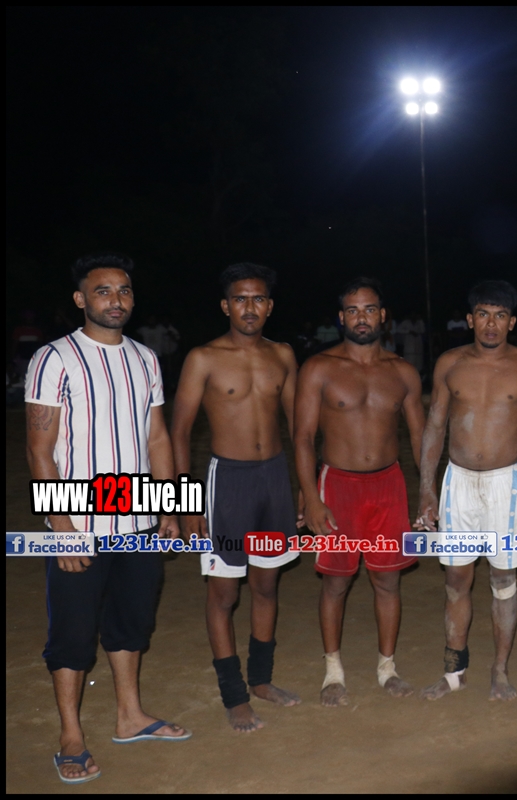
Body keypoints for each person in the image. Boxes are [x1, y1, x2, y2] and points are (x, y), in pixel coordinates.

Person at [25, 253, 190, 784]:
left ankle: (130, 717)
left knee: (132, 622)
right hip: (80, 522)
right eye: (102, 290)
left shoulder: (146, 358)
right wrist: (61, 527)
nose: (115, 300)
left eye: (124, 290)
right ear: (80, 299)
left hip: (137, 521)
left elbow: (157, 437)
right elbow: (40, 449)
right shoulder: (54, 358)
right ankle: (71, 736)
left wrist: (170, 505)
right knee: (73, 633)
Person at [170, 263, 302, 732]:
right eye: (240, 299)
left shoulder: (283, 355)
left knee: (266, 585)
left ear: (270, 306)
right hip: (227, 482)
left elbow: (299, 428)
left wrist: (305, 487)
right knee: (224, 592)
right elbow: (179, 431)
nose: (250, 307)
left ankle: (261, 679)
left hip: (274, 479)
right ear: (226, 306)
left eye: (258, 298)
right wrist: (186, 504)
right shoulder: (203, 358)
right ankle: (234, 695)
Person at [416, 280, 517, 702]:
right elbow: (434, 426)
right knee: (456, 579)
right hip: (458, 482)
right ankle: (454, 671)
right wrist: (426, 489)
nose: (491, 324)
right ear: (470, 319)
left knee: (503, 578)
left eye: (500, 316)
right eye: (483, 314)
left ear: (511, 322)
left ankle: (500, 670)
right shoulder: (450, 363)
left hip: (505, 486)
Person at [293, 278, 427, 706]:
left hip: (388, 485)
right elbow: (302, 437)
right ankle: (333, 672)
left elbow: (421, 438)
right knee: (336, 583)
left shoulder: (402, 372)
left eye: (369, 309)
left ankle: (388, 668)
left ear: (382, 315)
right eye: (352, 311)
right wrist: (312, 495)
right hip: (338, 485)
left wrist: (429, 492)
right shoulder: (319, 368)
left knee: (388, 580)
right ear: (341, 318)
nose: (361, 318)